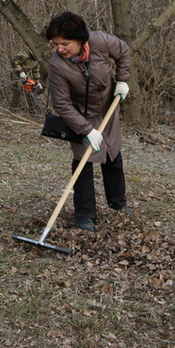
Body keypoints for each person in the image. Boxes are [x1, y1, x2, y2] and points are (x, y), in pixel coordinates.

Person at [44, 12, 131, 232]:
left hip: (108, 108)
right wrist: (86, 129)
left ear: (80, 40)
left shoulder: (100, 41)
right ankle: (85, 216)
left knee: (113, 155)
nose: (60, 48)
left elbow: (123, 52)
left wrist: (122, 81)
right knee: (83, 161)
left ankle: (118, 205)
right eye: (55, 44)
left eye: (65, 43)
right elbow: (62, 104)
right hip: (80, 116)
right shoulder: (57, 66)